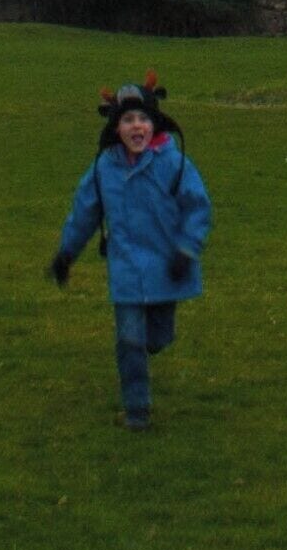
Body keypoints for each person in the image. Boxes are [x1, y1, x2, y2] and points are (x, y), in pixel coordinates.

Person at [49, 75, 212, 431]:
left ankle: (148, 350)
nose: (136, 126)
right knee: (129, 340)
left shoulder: (173, 162)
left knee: (157, 338)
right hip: (125, 268)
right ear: (116, 128)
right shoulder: (103, 169)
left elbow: (198, 207)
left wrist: (187, 248)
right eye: (127, 120)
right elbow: (84, 213)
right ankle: (136, 410)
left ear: (154, 124)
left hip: (168, 267)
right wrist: (66, 254)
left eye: (142, 119)